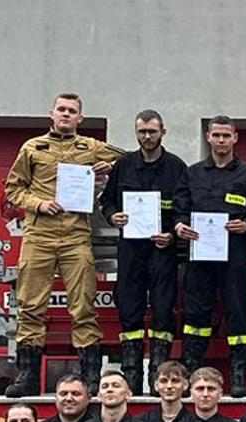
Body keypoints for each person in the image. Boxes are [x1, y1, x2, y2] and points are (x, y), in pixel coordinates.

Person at [3, 93, 123, 396]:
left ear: (80, 118)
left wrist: (106, 167)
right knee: (30, 306)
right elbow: (13, 190)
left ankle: (89, 377)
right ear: (52, 114)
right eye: (61, 110)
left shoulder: (90, 147)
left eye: (72, 111)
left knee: (83, 307)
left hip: (75, 236)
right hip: (39, 236)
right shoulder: (32, 148)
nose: (66, 115)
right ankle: (28, 376)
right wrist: (39, 204)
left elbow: (129, 159)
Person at [101, 109, 192, 394]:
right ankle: (131, 379)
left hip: (162, 250)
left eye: (152, 131)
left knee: (164, 312)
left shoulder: (177, 167)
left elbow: (184, 207)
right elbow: (108, 202)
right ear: (136, 132)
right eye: (142, 131)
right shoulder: (123, 166)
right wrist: (113, 216)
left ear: (163, 132)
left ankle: (158, 379)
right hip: (130, 249)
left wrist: (173, 231)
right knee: (130, 311)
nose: (147, 136)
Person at [181, 115, 246, 396]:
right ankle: (192, 371)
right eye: (216, 135)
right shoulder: (192, 173)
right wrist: (180, 225)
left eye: (226, 136)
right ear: (208, 137)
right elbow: (180, 209)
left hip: (234, 255)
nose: (221, 140)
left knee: (238, 313)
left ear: (235, 138)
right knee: (196, 314)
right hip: (199, 256)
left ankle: (238, 374)